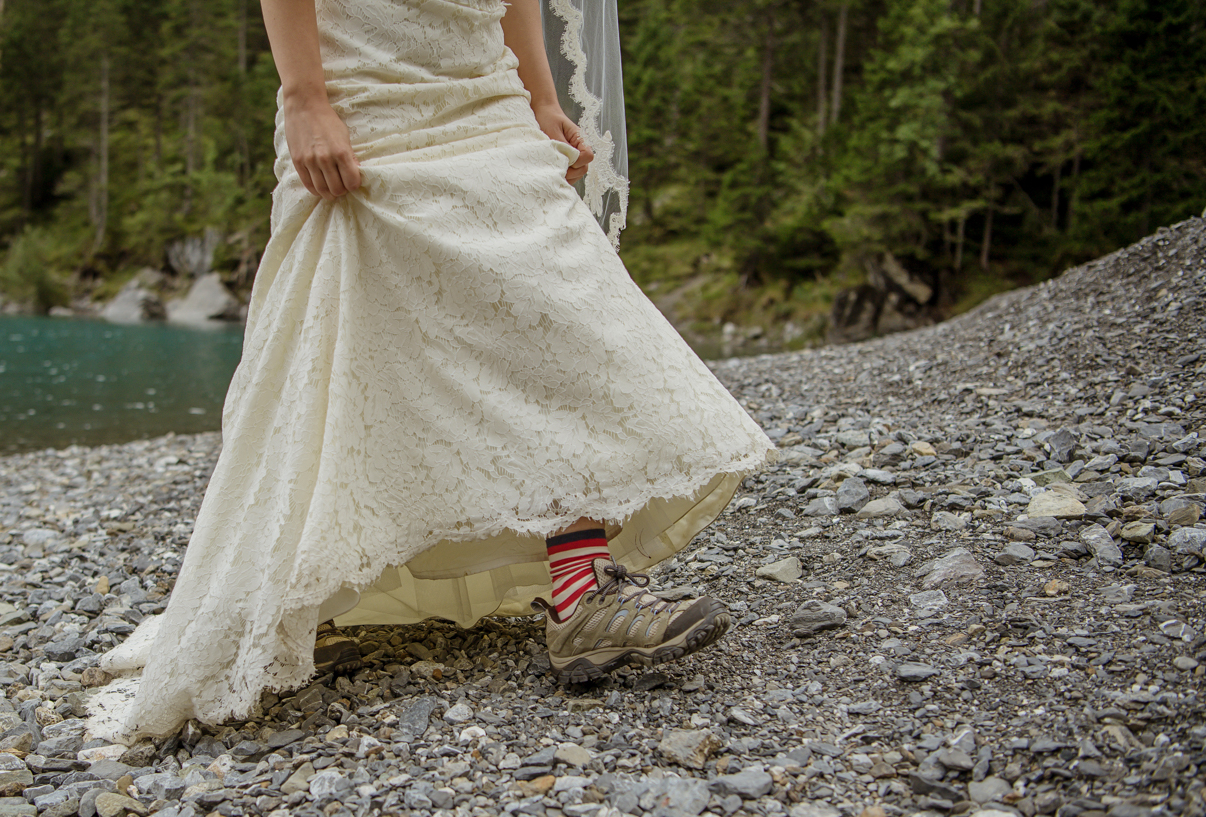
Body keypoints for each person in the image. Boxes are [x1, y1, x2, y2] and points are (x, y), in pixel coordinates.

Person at [87, 0, 774, 741]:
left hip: (484, 91)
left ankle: (583, 594)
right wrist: (305, 98)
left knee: (560, 314)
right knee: (350, 362)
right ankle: (312, 591)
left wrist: (542, 97)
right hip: (367, 94)